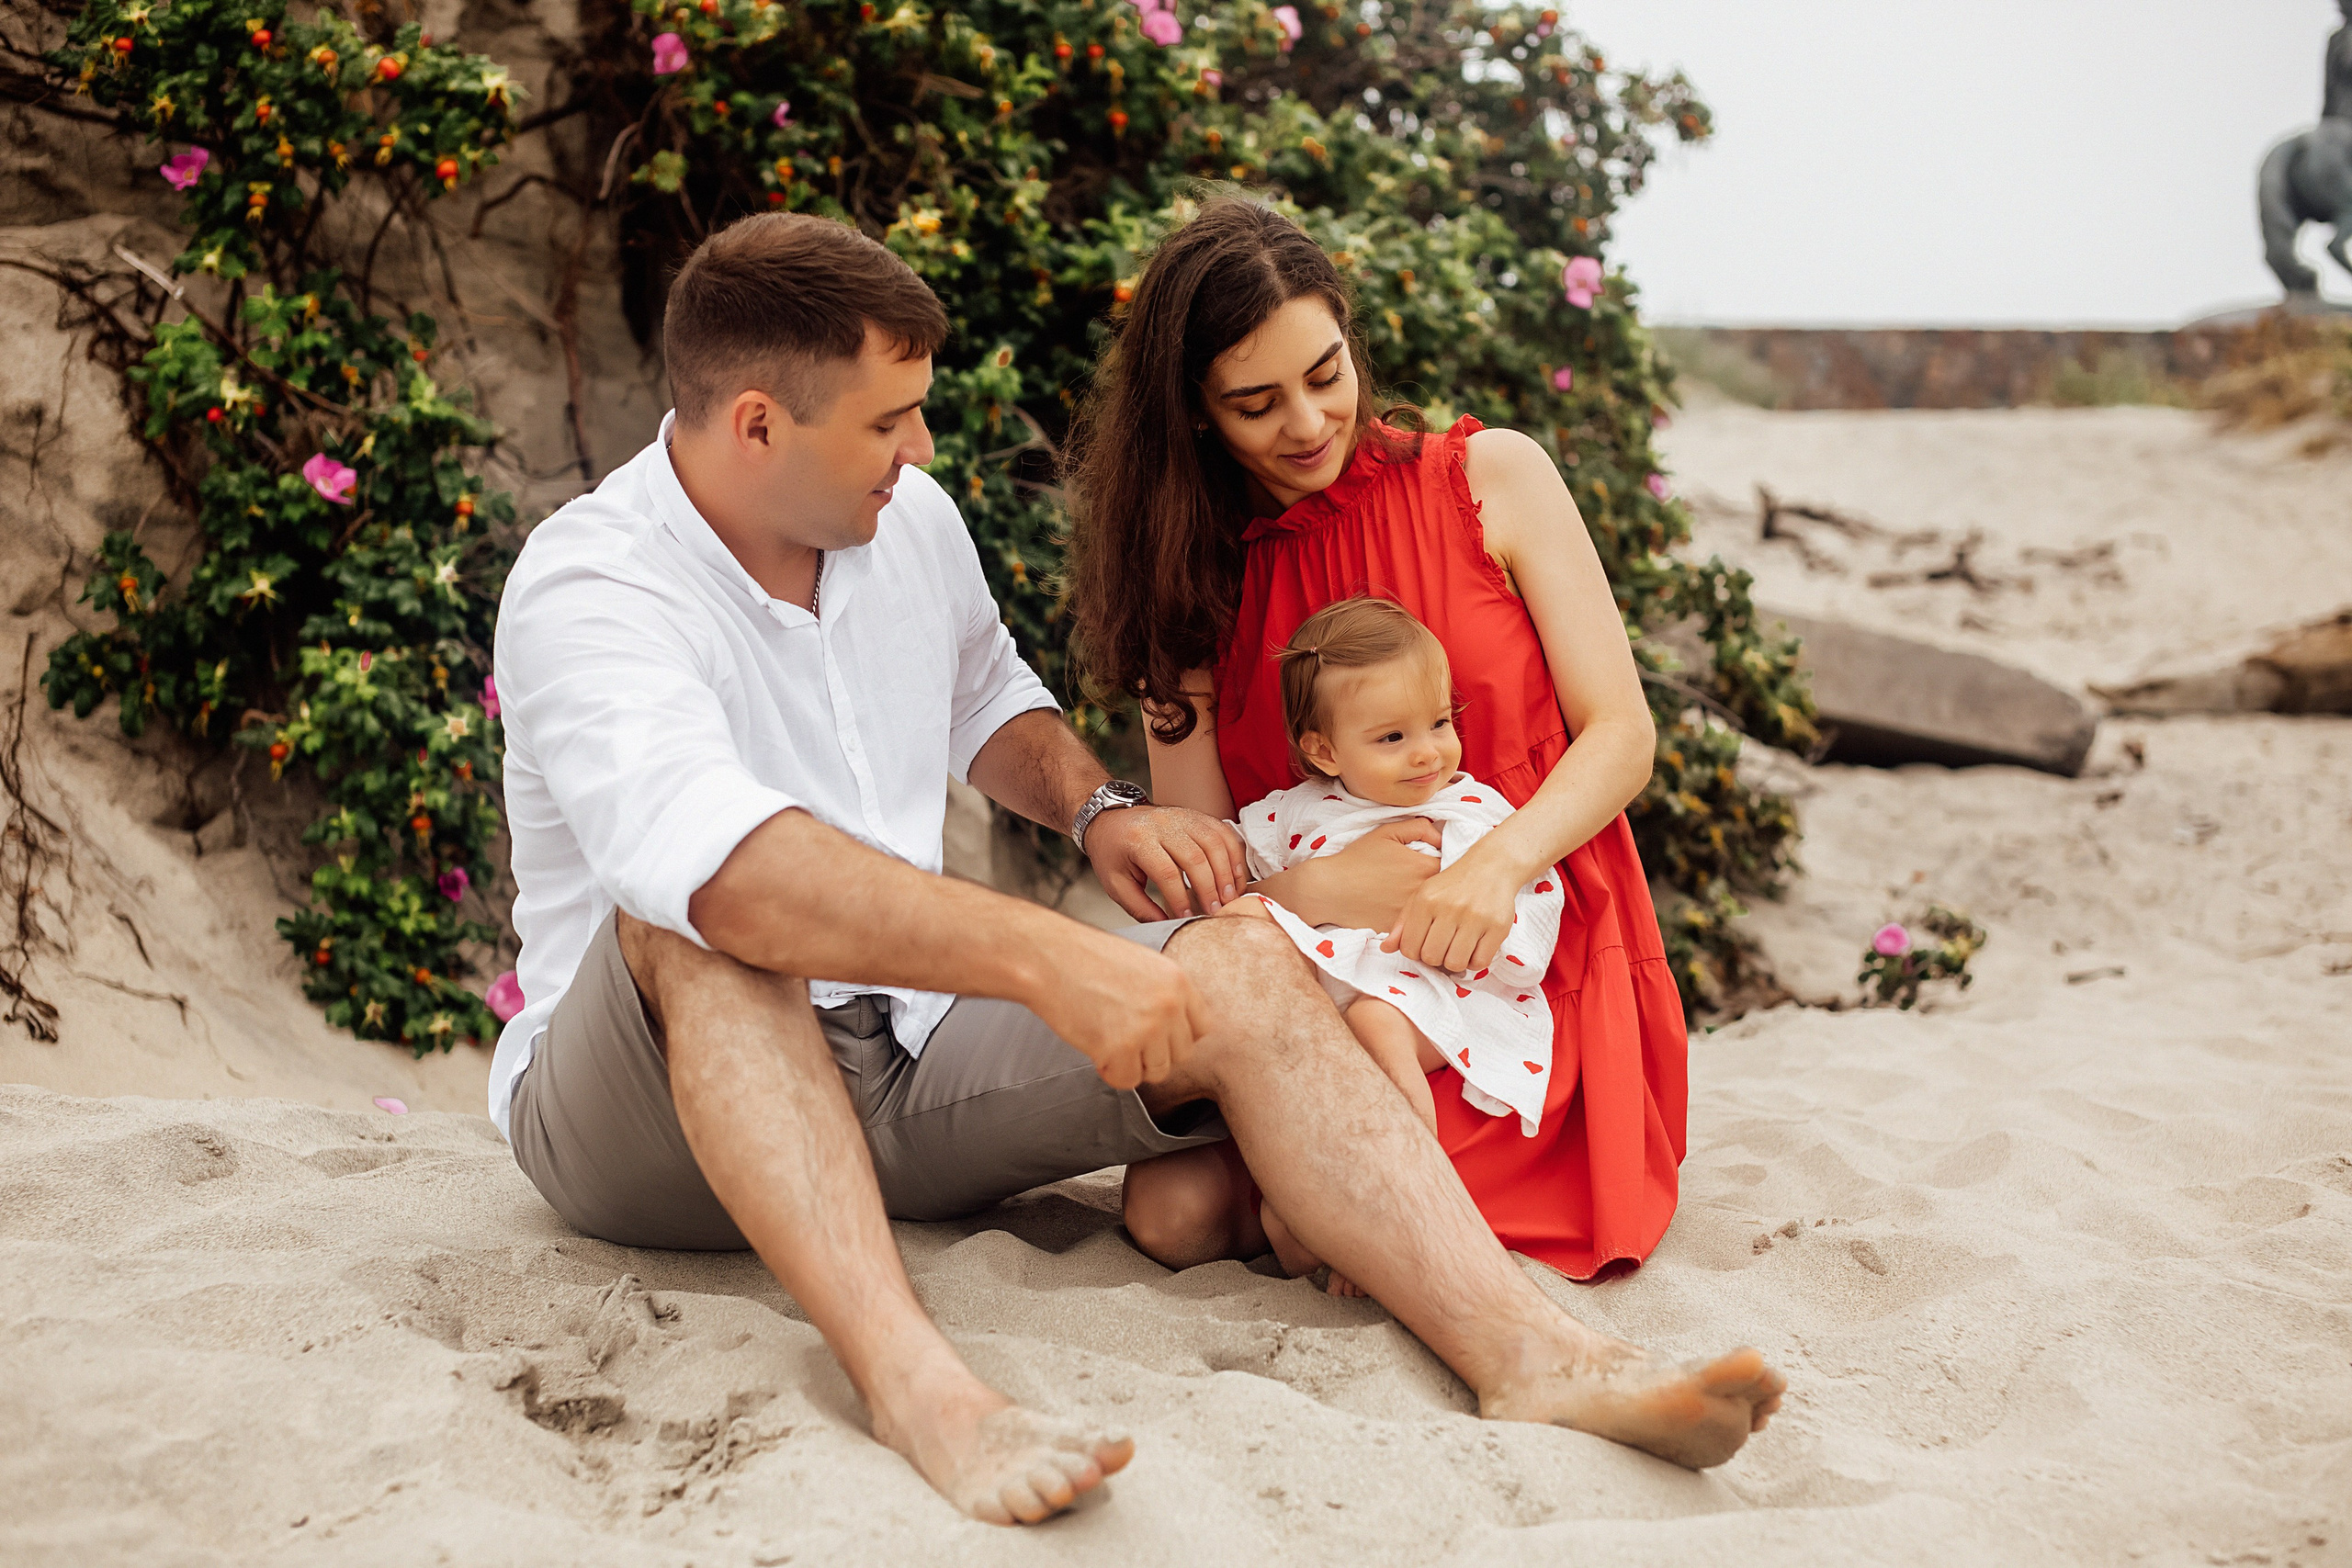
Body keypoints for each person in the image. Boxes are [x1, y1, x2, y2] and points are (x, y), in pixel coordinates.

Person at [491, 211, 1783, 1529]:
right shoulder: (594, 586)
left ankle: (1533, 1356)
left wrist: (1094, 805)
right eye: (890, 423)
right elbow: (733, 881)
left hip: (904, 1071)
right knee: (700, 924)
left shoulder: (908, 520)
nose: (923, 450)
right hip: (646, 1127)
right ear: (757, 423)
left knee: (1236, 957)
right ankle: (925, 1392)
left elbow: (986, 694)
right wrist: (1053, 952)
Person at [1068, 196, 1691, 1290]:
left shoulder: (1490, 478)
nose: (1306, 424)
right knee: (1165, 1214)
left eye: (1324, 373)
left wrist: (1494, 866)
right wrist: (1318, 895)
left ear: (1351, 337)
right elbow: (1215, 858)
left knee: (1326, 1215)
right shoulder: (1191, 583)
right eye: (1254, 404)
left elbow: (1622, 733)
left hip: (1524, 945)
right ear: (1197, 415)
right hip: (1333, 968)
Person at [1218, 597, 1566, 1296]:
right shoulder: (1297, 808)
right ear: (1324, 750)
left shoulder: (1467, 813)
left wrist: (1477, 930)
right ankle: (1307, 1215)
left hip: (1433, 993)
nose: (1428, 751)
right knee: (1291, 1066)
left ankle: (1404, 1203)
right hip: (1322, 1000)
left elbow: (1530, 914)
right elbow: (1231, 880)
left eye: (1440, 722)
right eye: (1392, 737)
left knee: (1372, 1022)